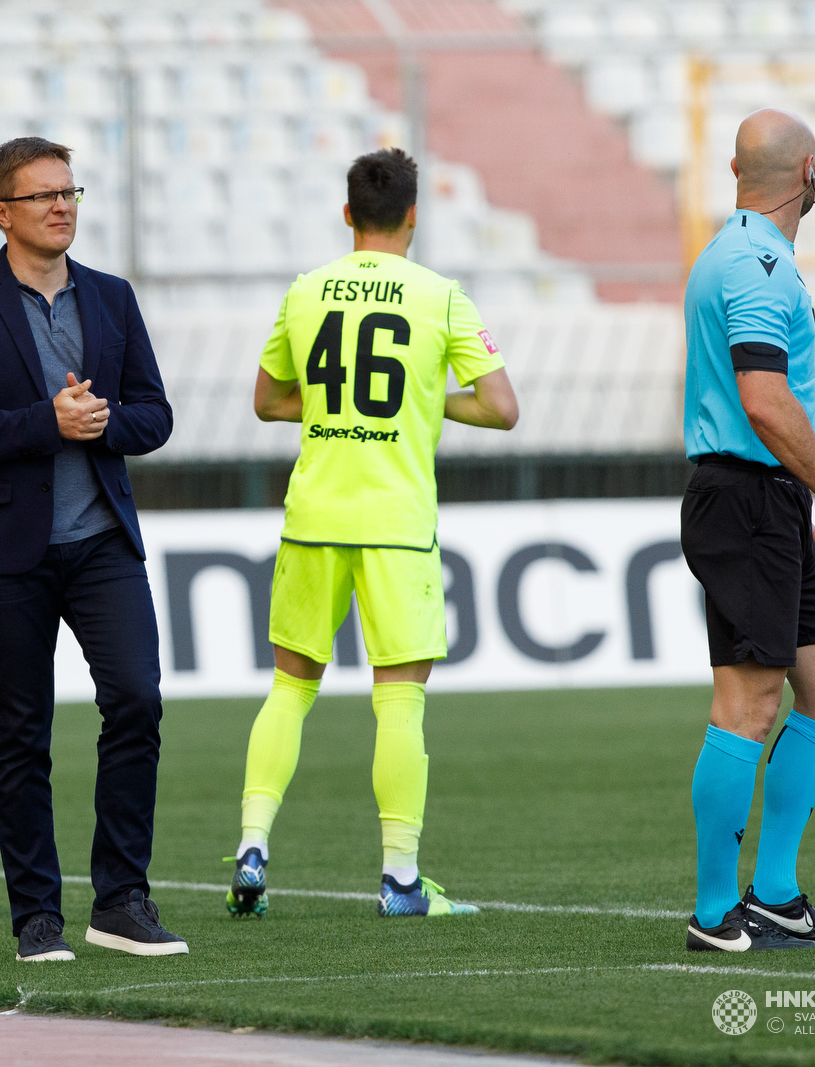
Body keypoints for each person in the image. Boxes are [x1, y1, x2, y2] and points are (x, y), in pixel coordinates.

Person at [228, 148, 519, 920]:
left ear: (348, 213)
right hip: (395, 525)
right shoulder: (442, 298)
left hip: (315, 515)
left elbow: (267, 400)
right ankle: (399, 881)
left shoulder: (306, 291)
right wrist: (423, 404)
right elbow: (501, 406)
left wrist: (340, 409)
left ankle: (252, 845)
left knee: (290, 687)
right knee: (399, 703)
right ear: (415, 216)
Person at [0, 138, 182, 963]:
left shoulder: (111, 296)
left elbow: (155, 414)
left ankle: (122, 899)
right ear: (2, 211)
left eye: (70, 191)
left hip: (103, 537)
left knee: (135, 698)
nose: (62, 205)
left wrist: (104, 422)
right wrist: (46, 422)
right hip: (7, 549)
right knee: (23, 731)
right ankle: (37, 916)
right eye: (43, 196)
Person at [680, 109, 815, 952]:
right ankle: (716, 913)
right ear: (808, 170)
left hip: (766, 504)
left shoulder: (738, 254)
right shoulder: (759, 263)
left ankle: (776, 893)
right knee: (749, 701)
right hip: (750, 499)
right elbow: (764, 400)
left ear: (736, 167)